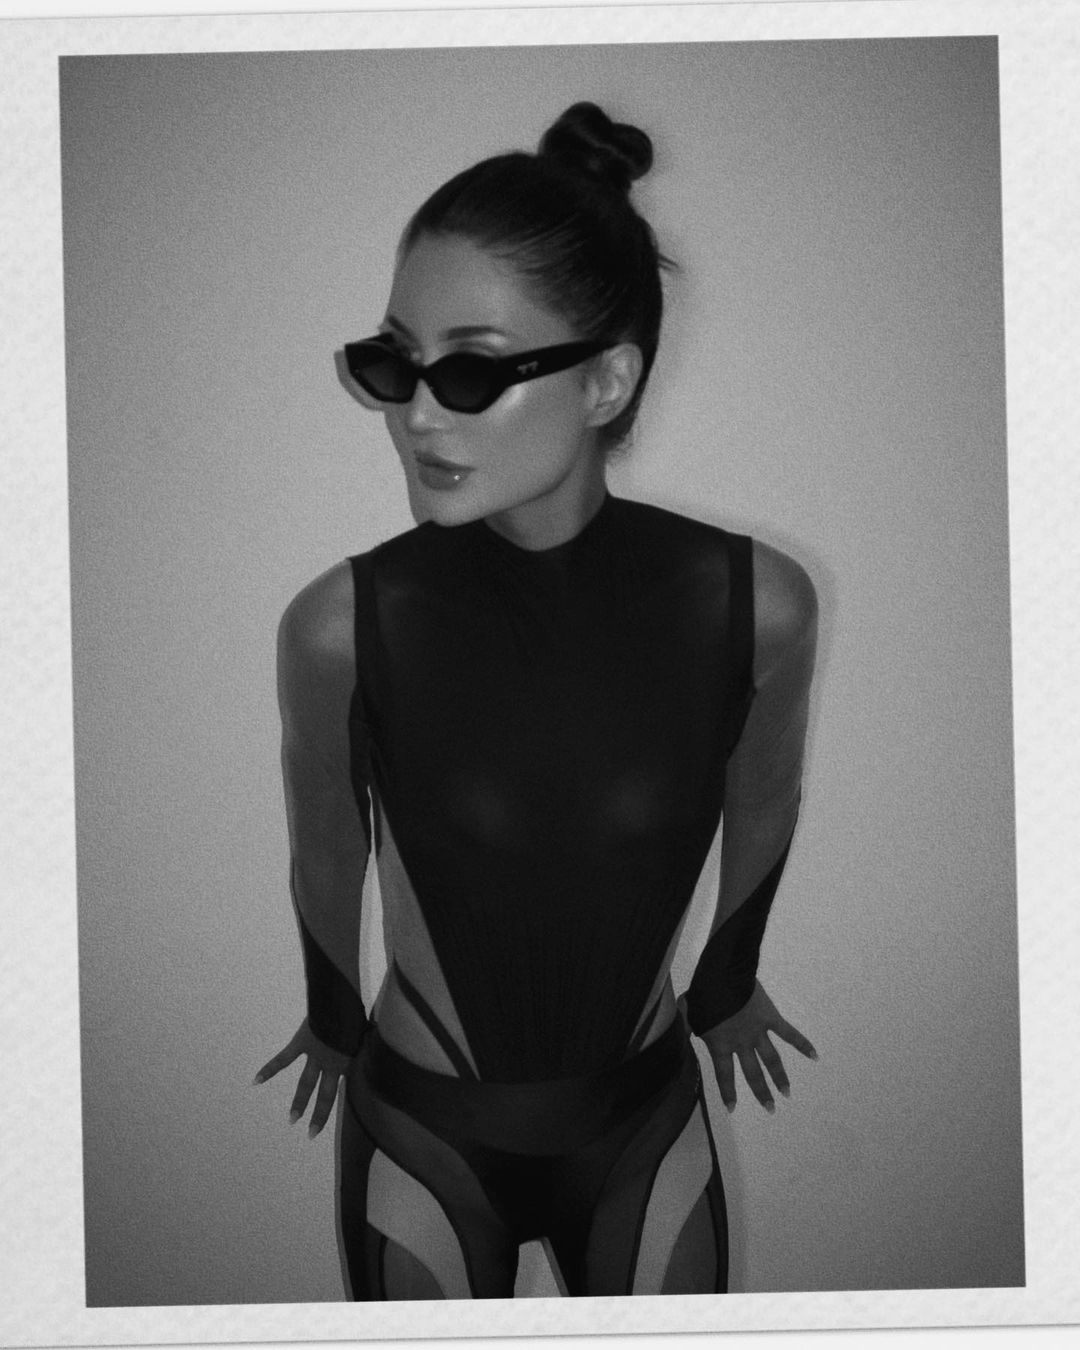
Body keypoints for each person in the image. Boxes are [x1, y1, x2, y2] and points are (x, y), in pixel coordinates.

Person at [255, 101, 818, 1299]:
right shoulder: (342, 625)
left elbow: (764, 799)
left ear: (607, 379)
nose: (415, 413)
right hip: (424, 1130)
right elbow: (328, 846)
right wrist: (331, 1015)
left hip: (641, 1121)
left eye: (469, 370)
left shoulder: (750, 606)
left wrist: (727, 978)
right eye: (394, 363)